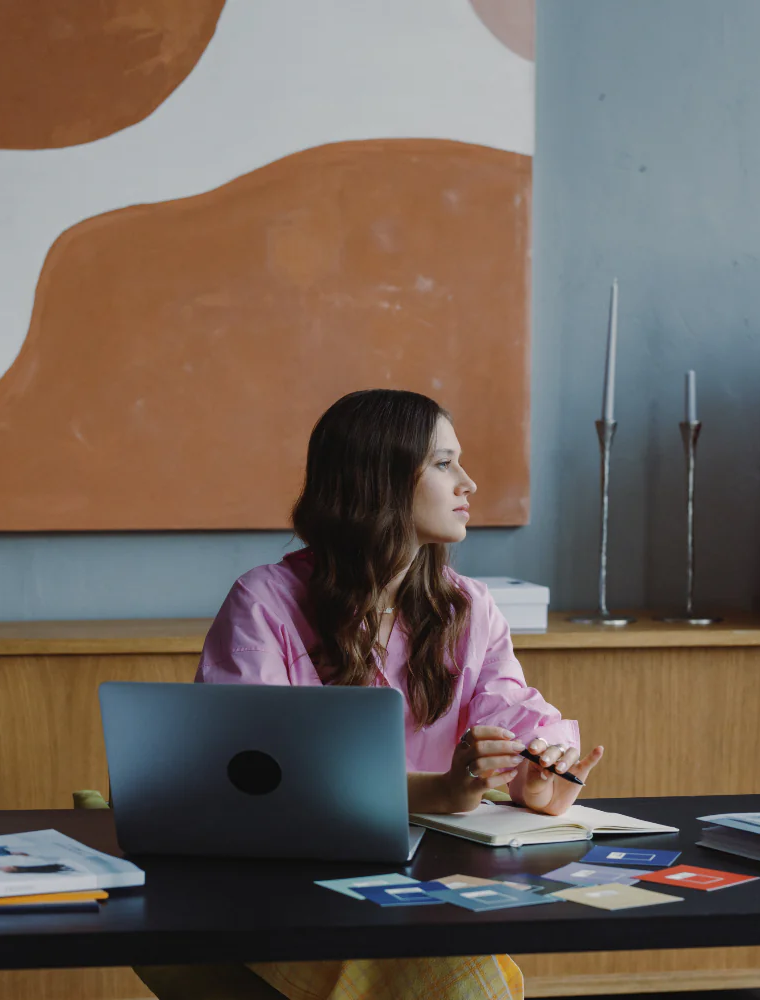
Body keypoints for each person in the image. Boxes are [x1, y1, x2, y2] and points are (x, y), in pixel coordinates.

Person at [135, 389, 604, 1000]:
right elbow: (259, 783)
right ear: (377, 478)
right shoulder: (265, 602)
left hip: (425, 883)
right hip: (286, 889)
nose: (469, 482)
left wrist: (536, 778)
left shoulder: (469, 608)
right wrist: (442, 789)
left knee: (443, 955)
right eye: (443, 463)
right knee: (445, 969)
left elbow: (514, 718)